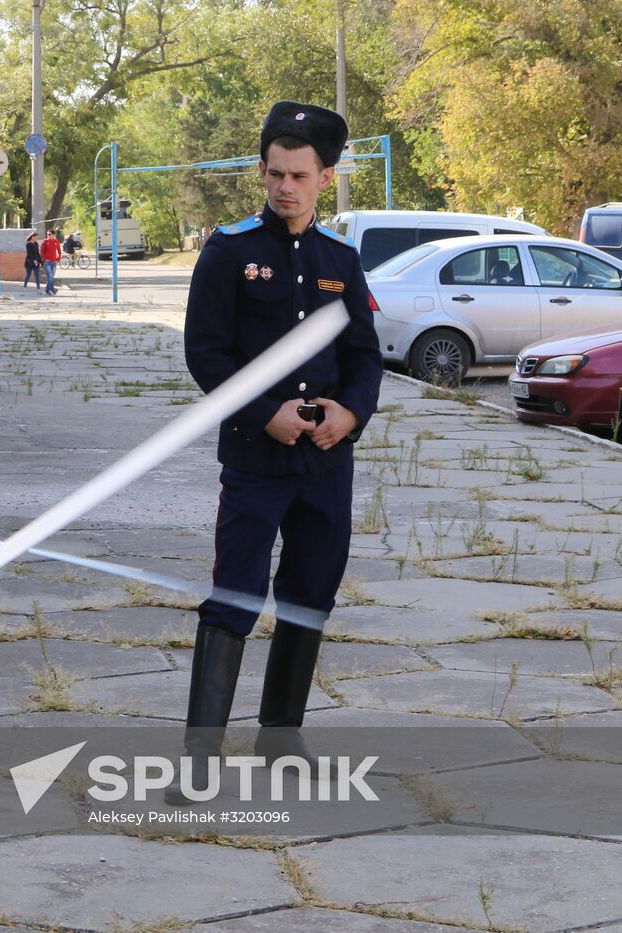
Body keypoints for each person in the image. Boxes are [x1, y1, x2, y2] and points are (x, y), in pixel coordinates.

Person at [169, 101, 382, 805]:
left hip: (326, 463)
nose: (283, 186)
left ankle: (280, 740)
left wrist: (349, 413)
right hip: (257, 462)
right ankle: (199, 762)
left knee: (310, 596)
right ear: (261, 172)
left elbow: (363, 357)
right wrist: (268, 415)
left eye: (298, 174)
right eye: (273, 173)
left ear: (326, 176)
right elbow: (206, 353)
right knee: (234, 595)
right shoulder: (230, 251)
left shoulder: (340, 261)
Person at [40, 230, 62, 295]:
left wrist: (58, 258)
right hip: (47, 262)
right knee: (49, 276)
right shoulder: (45, 241)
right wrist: (45, 259)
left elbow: (59, 251)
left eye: (49, 234)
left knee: (51, 276)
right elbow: (42, 251)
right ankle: (52, 289)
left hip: (54, 262)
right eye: (47, 234)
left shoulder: (56, 242)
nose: (48, 235)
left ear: (53, 235)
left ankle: (48, 289)